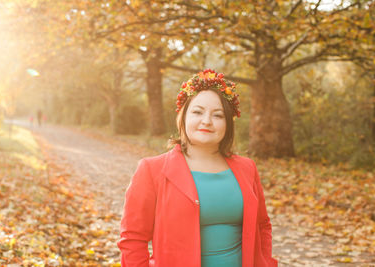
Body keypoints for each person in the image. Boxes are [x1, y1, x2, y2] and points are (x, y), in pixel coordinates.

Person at [118, 69, 278, 267]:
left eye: (218, 115)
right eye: (197, 112)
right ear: (183, 116)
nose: (207, 121)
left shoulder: (247, 168)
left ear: (228, 123)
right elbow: (133, 239)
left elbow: (263, 226)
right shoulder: (152, 170)